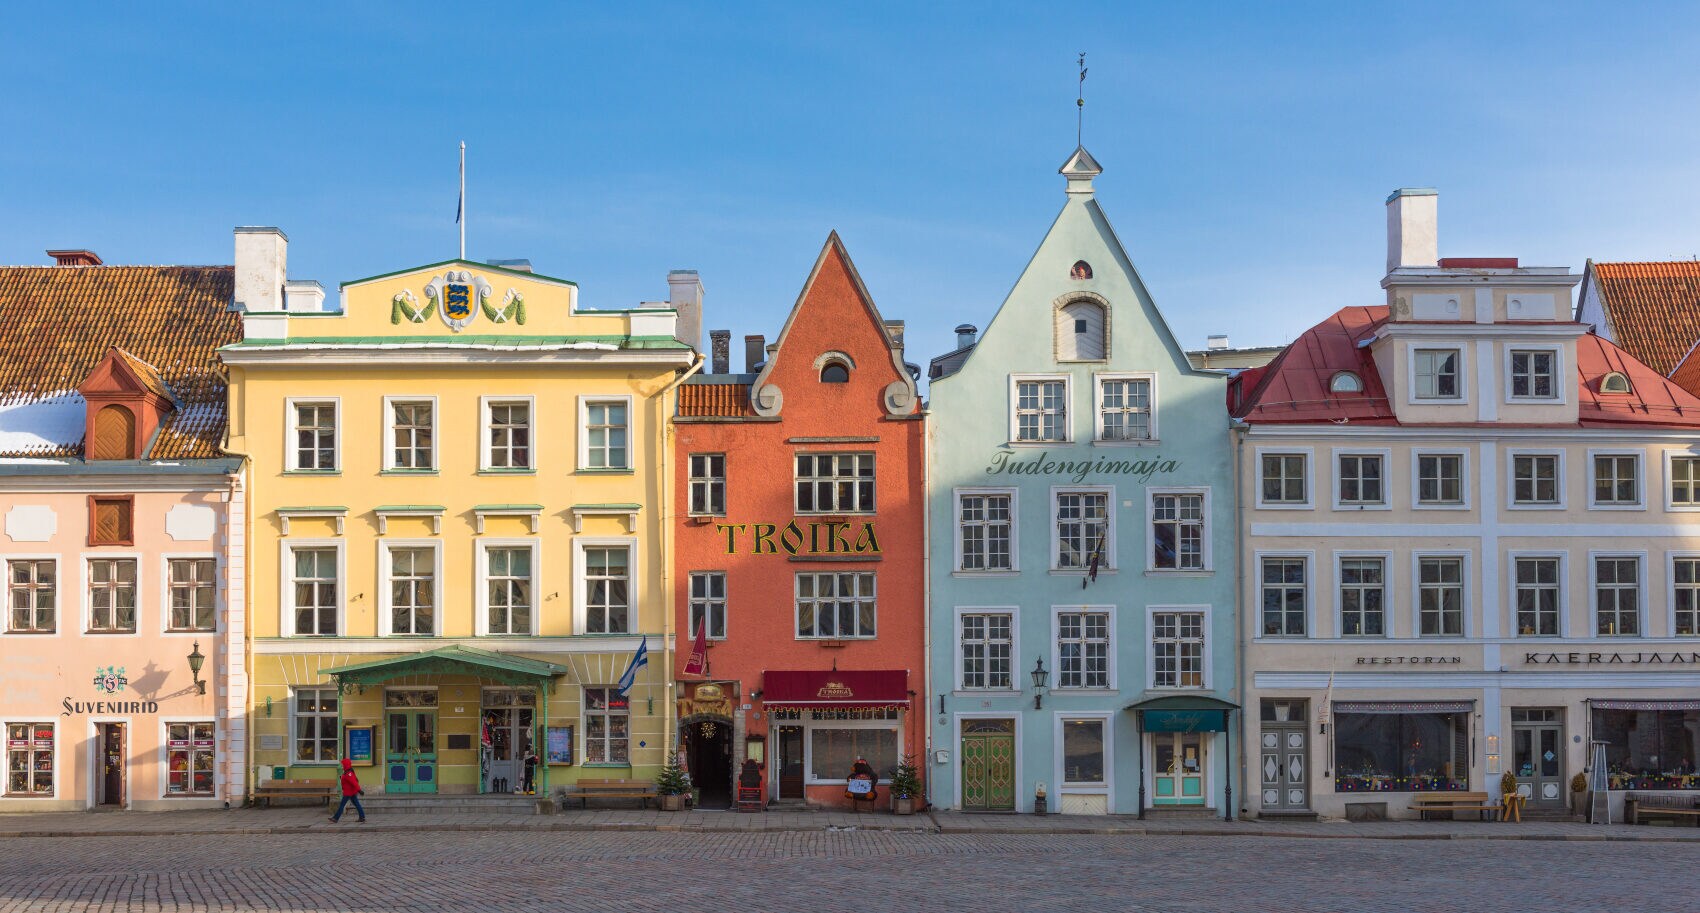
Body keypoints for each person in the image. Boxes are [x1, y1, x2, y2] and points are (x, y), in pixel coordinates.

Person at [329, 758, 365, 824]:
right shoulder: (347, 772)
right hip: (351, 792)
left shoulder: (349, 773)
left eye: (343, 764)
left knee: (342, 805)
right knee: (357, 804)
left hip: (349, 793)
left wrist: (359, 790)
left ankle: (335, 818)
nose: (342, 765)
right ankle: (362, 817)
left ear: (346, 765)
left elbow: (354, 783)